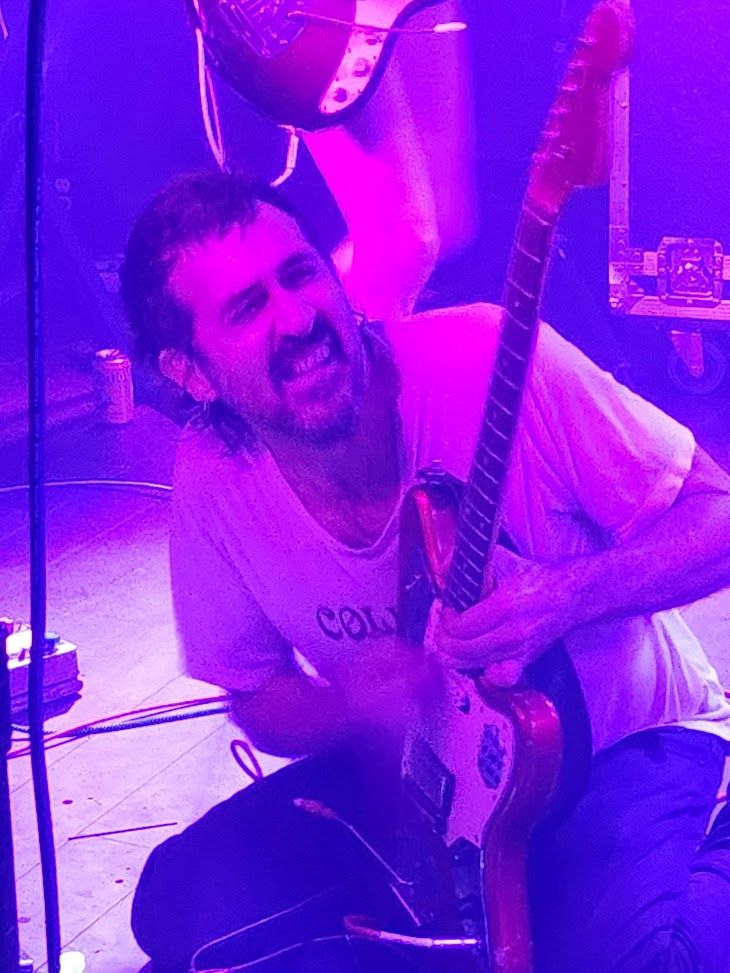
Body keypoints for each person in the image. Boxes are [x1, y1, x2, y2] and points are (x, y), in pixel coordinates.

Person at [120, 169, 730, 973]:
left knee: (643, 960)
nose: (298, 317)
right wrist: (345, 705)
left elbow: (716, 517)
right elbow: (258, 694)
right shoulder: (211, 477)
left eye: (300, 273)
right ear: (192, 373)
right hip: (430, 780)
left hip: (625, 744)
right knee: (178, 903)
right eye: (248, 308)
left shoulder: (485, 356)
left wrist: (566, 596)